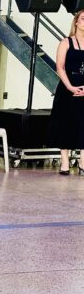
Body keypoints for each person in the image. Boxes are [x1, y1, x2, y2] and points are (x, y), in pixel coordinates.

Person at [48, 9, 84, 175]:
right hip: (67, 87)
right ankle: (65, 162)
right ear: (76, 21)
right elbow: (60, 67)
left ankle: (83, 162)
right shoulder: (66, 42)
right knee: (66, 122)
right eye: (83, 19)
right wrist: (70, 87)